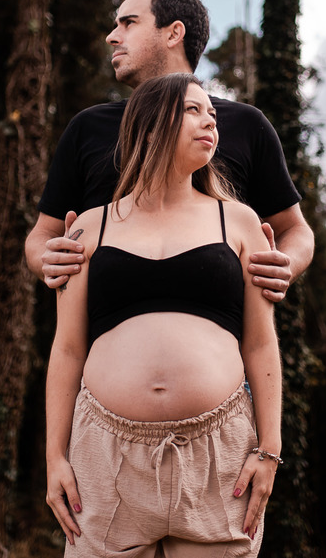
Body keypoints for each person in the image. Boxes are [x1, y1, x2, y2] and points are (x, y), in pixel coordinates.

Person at [45, 73, 282, 556]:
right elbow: (68, 348)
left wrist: (270, 451)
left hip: (219, 459)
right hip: (104, 456)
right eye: (193, 110)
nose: (210, 122)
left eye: (212, 115)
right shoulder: (91, 226)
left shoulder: (237, 220)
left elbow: (261, 343)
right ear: (151, 127)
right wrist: (55, 457)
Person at [25, 0, 313, 301]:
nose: (112, 36)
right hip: (106, 343)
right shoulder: (87, 127)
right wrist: (47, 260)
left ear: (173, 34)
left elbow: (294, 228)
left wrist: (283, 265)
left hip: (220, 342)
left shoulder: (246, 125)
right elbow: (43, 234)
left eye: (128, 22)